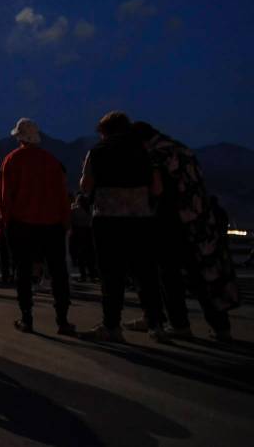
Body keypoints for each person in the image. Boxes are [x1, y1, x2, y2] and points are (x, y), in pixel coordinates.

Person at [131, 123, 239, 341]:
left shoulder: (155, 154)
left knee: (170, 276)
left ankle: (180, 325)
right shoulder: (182, 149)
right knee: (202, 276)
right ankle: (221, 327)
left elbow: (158, 189)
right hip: (198, 221)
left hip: (171, 222)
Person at [78, 111, 165, 343]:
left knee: (111, 275)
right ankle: (156, 324)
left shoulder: (97, 151)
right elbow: (157, 188)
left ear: (104, 131)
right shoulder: (145, 151)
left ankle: (112, 326)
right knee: (146, 273)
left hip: (107, 218)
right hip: (141, 219)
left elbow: (86, 187)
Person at [0, 118, 75, 336]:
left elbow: (5, 198)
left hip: (22, 225)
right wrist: (66, 221)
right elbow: (62, 195)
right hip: (52, 225)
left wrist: (5, 223)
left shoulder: (11, 160)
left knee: (22, 271)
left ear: (19, 137)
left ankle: (27, 318)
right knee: (58, 272)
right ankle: (63, 320)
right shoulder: (52, 161)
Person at [69, 193, 98, 282]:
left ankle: (83, 276)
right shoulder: (90, 210)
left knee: (80, 257)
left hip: (78, 234)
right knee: (89, 256)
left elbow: (70, 219)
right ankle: (92, 275)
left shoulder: (75, 210)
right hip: (88, 233)